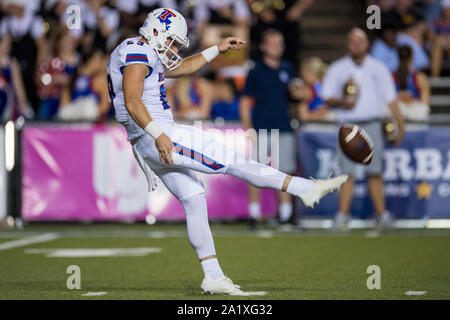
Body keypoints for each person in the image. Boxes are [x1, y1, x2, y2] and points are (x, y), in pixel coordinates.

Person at [107, 8, 348, 295]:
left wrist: (216, 50)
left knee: (194, 197)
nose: (172, 49)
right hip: (160, 134)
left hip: (148, 138)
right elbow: (133, 101)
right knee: (235, 161)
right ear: (155, 31)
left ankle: (213, 275)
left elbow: (183, 66)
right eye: (171, 41)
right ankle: (305, 189)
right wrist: (159, 135)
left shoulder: (143, 52)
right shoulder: (137, 50)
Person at [321, 28, 405, 230]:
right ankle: (343, 215)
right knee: (347, 173)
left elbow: (391, 99)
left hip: (372, 122)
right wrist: (342, 102)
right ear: (347, 44)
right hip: (348, 124)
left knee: (375, 171)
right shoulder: (338, 68)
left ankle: (380, 214)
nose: (356, 45)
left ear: (367, 44)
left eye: (360, 41)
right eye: (352, 41)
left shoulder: (378, 67)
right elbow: (327, 96)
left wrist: (400, 125)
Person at [240, 29, 299, 229]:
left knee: (285, 173)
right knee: (255, 173)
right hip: (262, 128)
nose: (277, 47)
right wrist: (248, 128)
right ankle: (254, 215)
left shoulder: (288, 69)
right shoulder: (255, 71)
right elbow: (245, 101)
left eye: (279, 43)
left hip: (284, 126)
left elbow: (299, 94)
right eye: (272, 43)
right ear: (264, 46)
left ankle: (285, 216)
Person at [393, 45, 430, 122]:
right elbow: (425, 103)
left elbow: (424, 107)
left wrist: (408, 100)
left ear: (398, 58)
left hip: (410, 115)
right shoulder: (421, 78)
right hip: (402, 116)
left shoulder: (391, 77)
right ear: (412, 58)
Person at [294, 56, 334, 122]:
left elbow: (303, 116)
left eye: (302, 72)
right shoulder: (326, 85)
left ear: (309, 72)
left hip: (317, 126)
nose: (301, 75)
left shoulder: (311, 89)